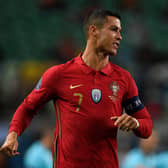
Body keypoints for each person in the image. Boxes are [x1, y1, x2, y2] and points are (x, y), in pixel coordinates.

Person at [0, 9, 153, 168]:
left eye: (120, 31)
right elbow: (28, 107)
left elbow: (147, 126)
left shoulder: (123, 79)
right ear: (94, 30)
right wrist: (13, 134)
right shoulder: (59, 74)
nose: (120, 36)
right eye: (114, 29)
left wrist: (135, 123)